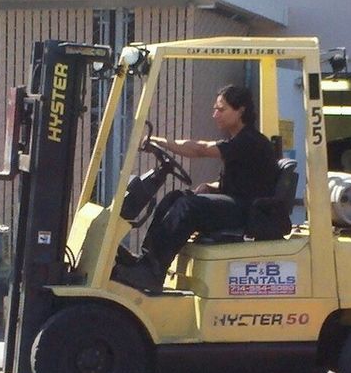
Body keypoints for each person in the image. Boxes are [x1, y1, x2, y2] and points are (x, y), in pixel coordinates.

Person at [116, 84, 279, 291]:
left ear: (241, 111)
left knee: (188, 206)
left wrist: (158, 141)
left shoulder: (249, 141)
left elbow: (200, 149)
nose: (215, 115)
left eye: (221, 109)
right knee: (175, 197)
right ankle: (149, 261)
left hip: (249, 212)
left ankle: (152, 272)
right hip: (240, 203)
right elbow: (247, 180)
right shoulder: (240, 141)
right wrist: (211, 187)